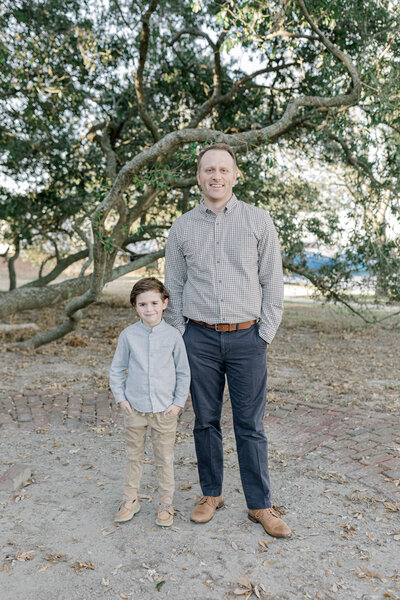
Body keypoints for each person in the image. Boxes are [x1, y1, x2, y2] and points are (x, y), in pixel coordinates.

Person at [164, 143, 291, 537]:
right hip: (198, 339)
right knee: (205, 421)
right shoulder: (182, 227)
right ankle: (211, 494)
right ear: (199, 177)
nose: (216, 176)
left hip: (247, 337)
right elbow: (174, 286)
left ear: (236, 176)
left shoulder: (259, 221)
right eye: (208, 170)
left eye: (223, 170)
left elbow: (273, 282)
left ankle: (260, 505)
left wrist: (263, 334)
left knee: (250, 425)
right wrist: (182, 335)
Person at [109, 277, 190, 527]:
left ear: (165, 303)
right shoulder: (128, 336)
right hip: (134, 409)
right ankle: (130, 500)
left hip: (165, 411)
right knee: (134, 456)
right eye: (143, 304)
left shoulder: (174, 336)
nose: (149, 309)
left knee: (164, 458)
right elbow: (117, 369)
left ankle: (166, 504)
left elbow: (183, 372)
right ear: (135, 307)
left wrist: (178, 403)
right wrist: (121, 398)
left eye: (154, 303)